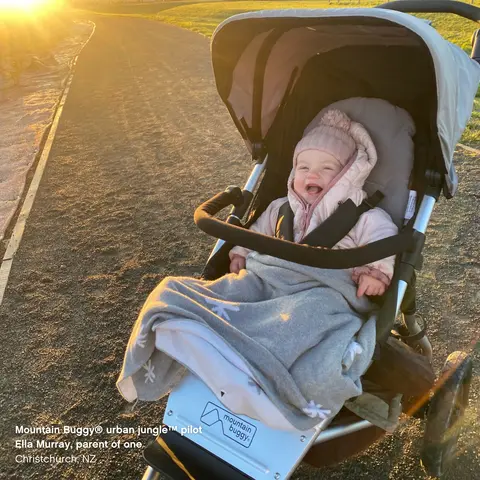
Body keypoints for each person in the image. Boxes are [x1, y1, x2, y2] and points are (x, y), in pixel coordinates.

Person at [229, 109, 397, 298]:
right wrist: (241, 252)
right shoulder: (280, 208)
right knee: (232, 288)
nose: (312, 174)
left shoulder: (362, 216)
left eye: (327, 168)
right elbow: (257, 234)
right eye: (304, 167)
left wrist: (376, 274)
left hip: (326, 290)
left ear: (348, 174)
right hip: (272, 281)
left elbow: (382, 241)